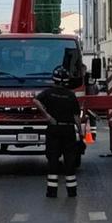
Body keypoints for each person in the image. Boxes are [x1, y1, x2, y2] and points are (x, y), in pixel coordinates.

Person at [33, 66, 81, 198]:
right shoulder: (71, 95)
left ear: (53, 79)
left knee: (53, 159)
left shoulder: (48, 93)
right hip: (68, 129)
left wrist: (47, 116)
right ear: (66, 81)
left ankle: (52, 190)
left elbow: (35, 100)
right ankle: (72, 191)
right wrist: (80, 132)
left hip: (53, 129)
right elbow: (76, 116)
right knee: (69, 160)